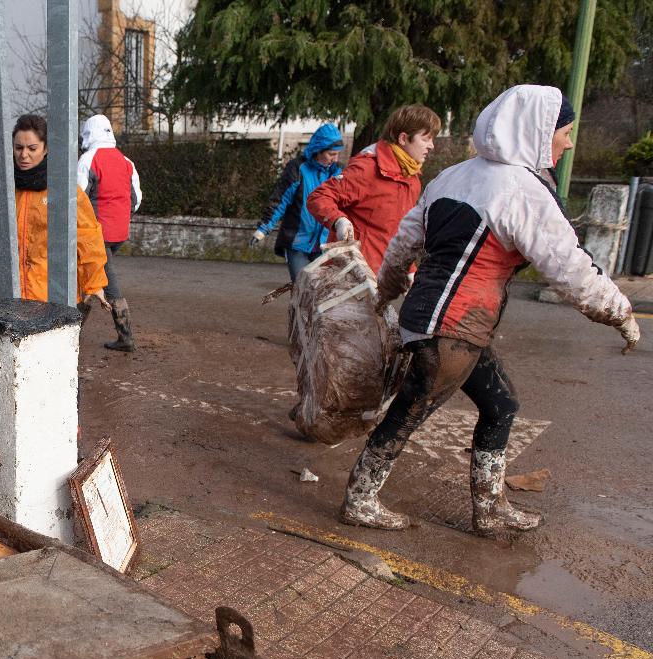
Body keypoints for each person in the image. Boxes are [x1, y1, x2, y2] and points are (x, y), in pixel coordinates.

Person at [340, 84, 640, 536]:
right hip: (453, 327)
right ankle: (360, 500)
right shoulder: (521, 189)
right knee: (410, 411)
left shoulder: (451, 177)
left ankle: (490, 507)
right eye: (565, 131)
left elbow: (403, 244)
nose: (569, 142)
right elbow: (570, 268)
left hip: (439, 321)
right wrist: (620, 312)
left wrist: (388, 290)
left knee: (501, 403)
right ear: (539, 132)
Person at [0, 114, 109, 308]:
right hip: (5, 296)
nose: (24, 155)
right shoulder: (0, 189)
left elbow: (86, 236)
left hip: (51, 298)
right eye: (18, 148)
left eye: (32, 148)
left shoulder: (65, 189)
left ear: (45, 148)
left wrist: (94, 282)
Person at [307, 105, 442, 273]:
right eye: (426, 139)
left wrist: (409, 269)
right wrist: (338, 221)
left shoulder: (412, 180)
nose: (432, 146)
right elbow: (318, 197)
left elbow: (399, 233)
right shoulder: (367, 168)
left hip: (379, 280)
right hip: (348, 275)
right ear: (403, 138)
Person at [77, 114, 143, 352]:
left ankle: (125, 339)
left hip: (96, 234)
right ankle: (70, 334)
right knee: (86, 279)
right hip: (120, 232)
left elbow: (77, 199)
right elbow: (136, 199)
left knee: (105, 283)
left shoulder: (88, 160)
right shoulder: (126, 161)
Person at [250, 124, 345, 280]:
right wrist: (264, 228)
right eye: (331, 154)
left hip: (325, 244)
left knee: (320, 292)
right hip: (297, 242)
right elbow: (281, 199)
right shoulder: (298, 168)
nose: (335, 159)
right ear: (318, 150)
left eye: (337, 154)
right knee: (302, 286)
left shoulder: (339, 172)